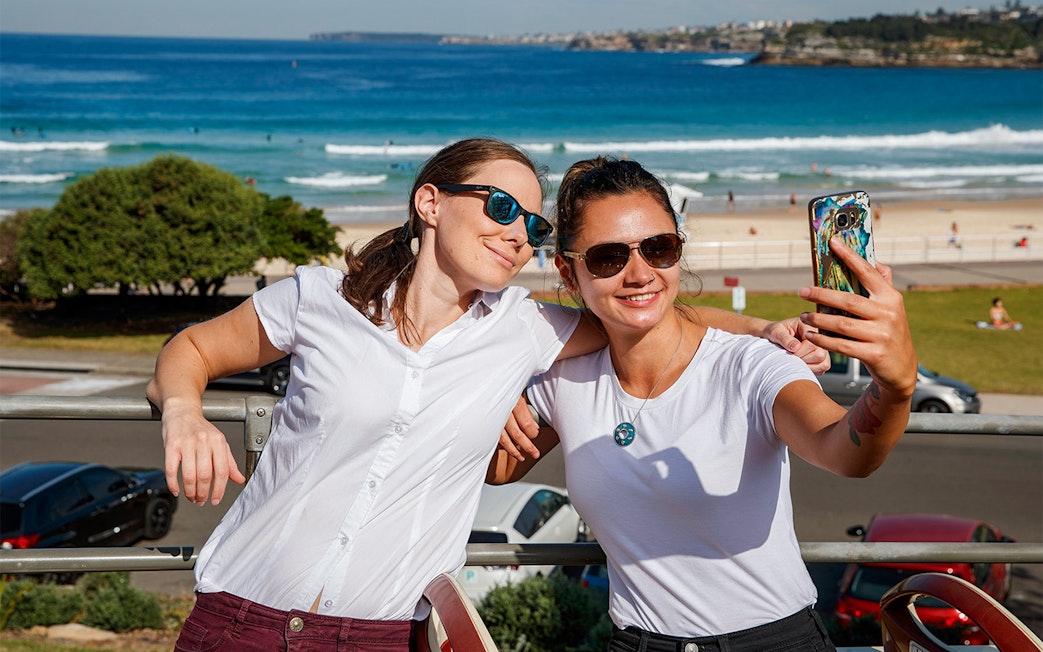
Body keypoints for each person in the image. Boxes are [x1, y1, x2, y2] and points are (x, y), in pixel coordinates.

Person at [147, 139, 823, 651]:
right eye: (501, 207)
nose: (515, 233)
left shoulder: (523, 328)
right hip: (234, 617)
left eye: (530, 224)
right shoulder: (319, 298)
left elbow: (643, 306)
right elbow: (193, 349)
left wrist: (764, 329)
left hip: (378, 636)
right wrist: (184, 412)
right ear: (430, 203)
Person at [488, 157, 918, 652]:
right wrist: (486, 397)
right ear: (568, 271)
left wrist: (895, 386)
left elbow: (844, 451)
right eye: (608, 257)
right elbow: (499, 469)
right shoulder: (564, 377)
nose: (639, 273)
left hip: (772, 643)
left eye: (659, 248)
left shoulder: (750, 365)